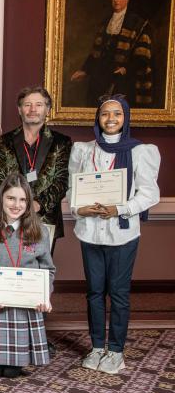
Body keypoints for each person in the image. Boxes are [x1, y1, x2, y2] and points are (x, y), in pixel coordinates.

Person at [68, 95, 160, 375]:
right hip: (90, 233)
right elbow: (74, 191)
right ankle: (97, 347)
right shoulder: (83, 150)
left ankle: (116, 351)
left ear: (125, 118)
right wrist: (79, 208)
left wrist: (119, 208)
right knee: (94, 293)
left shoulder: (140, 151)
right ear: (97, 117)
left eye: (117, 114)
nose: (110, 119)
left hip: (122, 235)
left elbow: (150, 194)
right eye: (105, 114)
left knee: (118, 294)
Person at [0, 172, 55, 378]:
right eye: (11, 198)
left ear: (28, 203)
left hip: (25, 307)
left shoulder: (41, 232)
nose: (16, 205)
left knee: (11, 372)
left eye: (22, 200)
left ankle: (18, 357)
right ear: (1, 198)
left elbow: (48, 270)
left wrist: (44, 296)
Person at [0, 86, 72, 249]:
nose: (33, 109)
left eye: (39, 104)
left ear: (47, 109)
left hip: (45, 219)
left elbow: (62, 181)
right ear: (19, 109)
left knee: (41, 272)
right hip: (10, 217)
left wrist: (37, 204)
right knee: (10, 269)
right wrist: (14, 204)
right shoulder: (5, 141)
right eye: (27, 104)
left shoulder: (61, 142)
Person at [70, 0, 154, 108]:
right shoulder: (105, 22)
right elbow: (96, 52)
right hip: (101, 74)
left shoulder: (138, 24)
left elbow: (142, 58)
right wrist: (84, 70)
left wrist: (125, 69)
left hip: (122, 78)